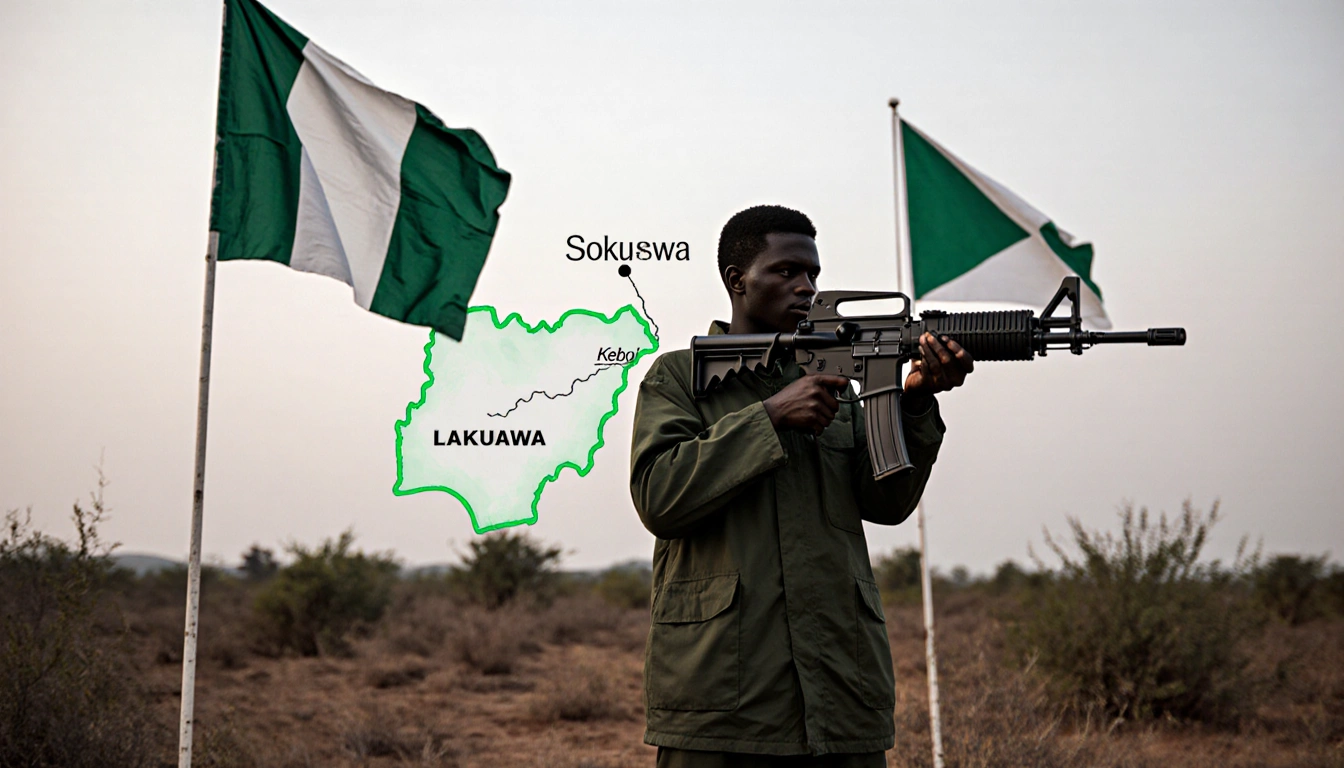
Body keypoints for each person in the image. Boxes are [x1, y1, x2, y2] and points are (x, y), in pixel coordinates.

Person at [628, 205, 975, 767]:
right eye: (786, 271)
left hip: (839, 693)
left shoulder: (834, 385)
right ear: (737, 280)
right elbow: (658, 497)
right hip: (719, 702)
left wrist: (913, 403)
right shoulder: (677, 377)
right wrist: (769, 417)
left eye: (812, 273)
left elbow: (886, 504)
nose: (806, 287)